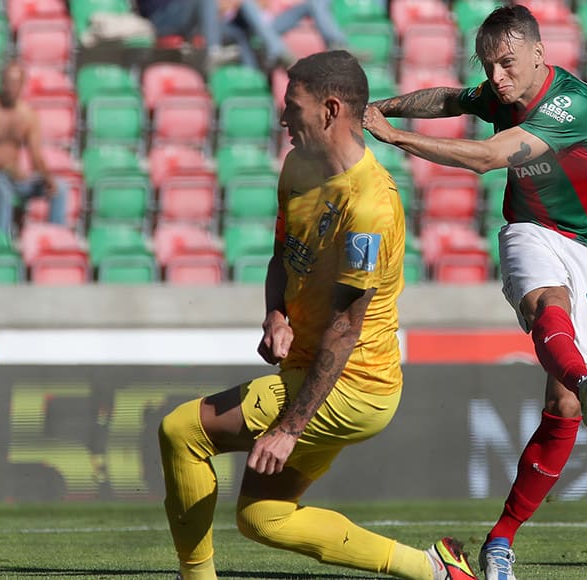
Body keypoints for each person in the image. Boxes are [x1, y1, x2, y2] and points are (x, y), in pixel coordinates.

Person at [158, 50, 476, 580]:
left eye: (293, 105)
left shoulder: (370, 206)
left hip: (354, 383)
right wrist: (275, 315)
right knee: (264, 518)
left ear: (329, 110)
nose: (282, 116)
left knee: (182, 431)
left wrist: (289, 427)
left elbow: (347, 327)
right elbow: (283, 255)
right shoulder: (298, 168)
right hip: (315, 371)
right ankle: (435, 570)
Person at [363, 6, 587, 579]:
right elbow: (449, 99)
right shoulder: (500, 92)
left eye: (506, 63)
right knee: (547, 305)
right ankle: (585, 376)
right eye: (488, 66)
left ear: (539, 53)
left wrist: (394, 136)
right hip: (532, 230)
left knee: (564, 407)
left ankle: (501, 537)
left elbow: (487, 159)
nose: (496, 77)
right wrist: (383, 106)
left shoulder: (572, 105)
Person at [0, 62, 66, 237]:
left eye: (15, 83)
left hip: (13, 177)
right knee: (2, 188)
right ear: (1, 83)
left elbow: (35, 155)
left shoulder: (27, 114)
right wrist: (7, 168)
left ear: (22, 85)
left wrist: (47, 177)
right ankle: (2, 242)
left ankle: (56, 240)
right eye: (7, 82)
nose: (10, 87)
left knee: (60, 187)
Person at [222, 0, 347, 70]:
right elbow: (221, 9)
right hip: (240, 26)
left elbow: (266, 5)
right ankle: (279, 52)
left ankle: (337, 44)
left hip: (269, 24)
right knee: (246, 4)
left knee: (313, 4)